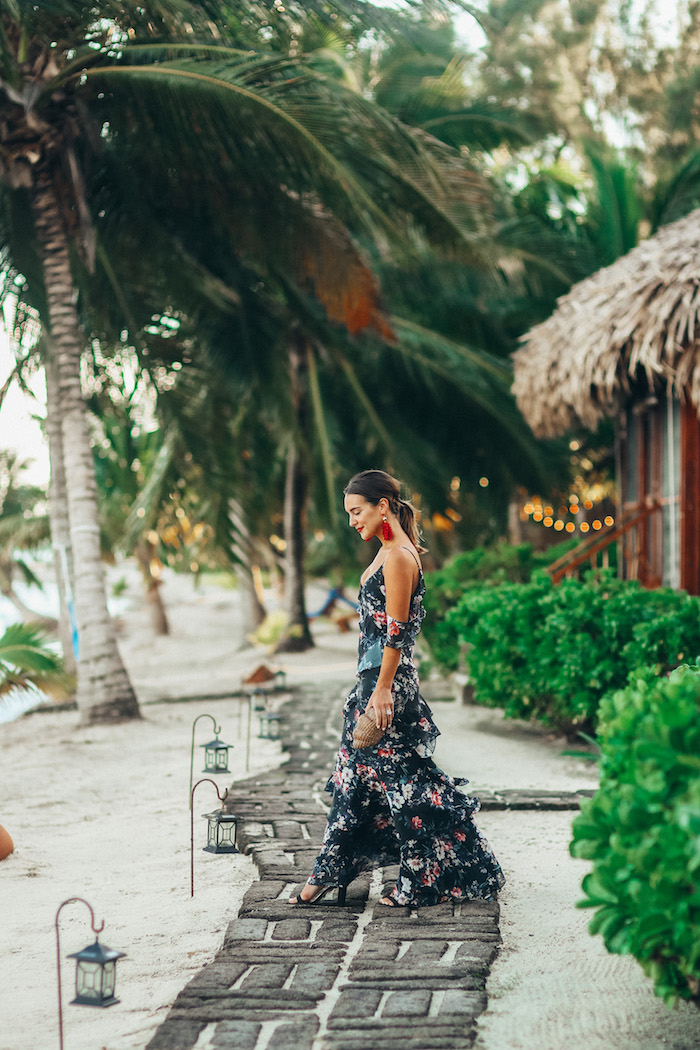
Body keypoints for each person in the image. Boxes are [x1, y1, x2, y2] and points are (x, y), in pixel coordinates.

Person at [289, 469, 505, 907]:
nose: (352, 521)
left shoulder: (400, 557)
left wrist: (383, 689)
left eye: (357, 511)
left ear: (381, 505)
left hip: (387, 682)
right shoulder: (388, 551)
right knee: (374, 777)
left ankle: (371, 875)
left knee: (384, 780)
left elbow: (397, 632)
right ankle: (342, 871)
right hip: (374, 679)